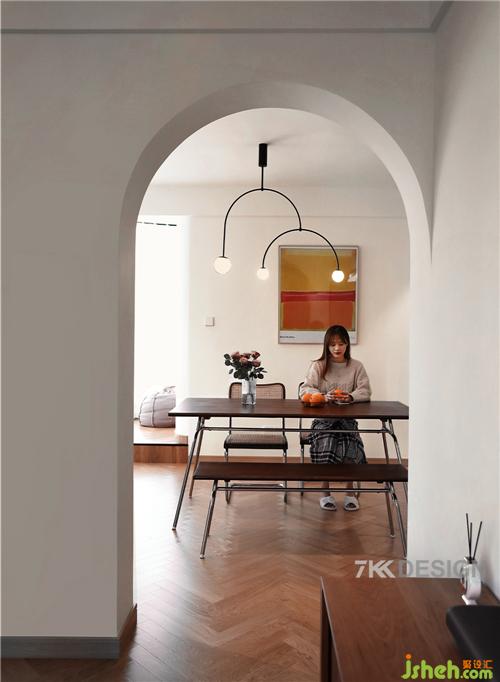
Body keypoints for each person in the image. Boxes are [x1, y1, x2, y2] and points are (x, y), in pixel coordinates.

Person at [300, 324, 371, 511]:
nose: (337, 348)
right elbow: (305, 389)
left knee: (351, 444)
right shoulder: (318, 365)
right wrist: (324, 396)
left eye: (341, 343)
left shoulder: (356, 366)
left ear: (347, 344)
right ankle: (325, 493)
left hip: (347, 420)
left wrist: (351, 396)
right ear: (327, 346)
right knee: (327, 442)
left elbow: (365, 390)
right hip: (323, 422)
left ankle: (350, 492)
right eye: (332, 344)